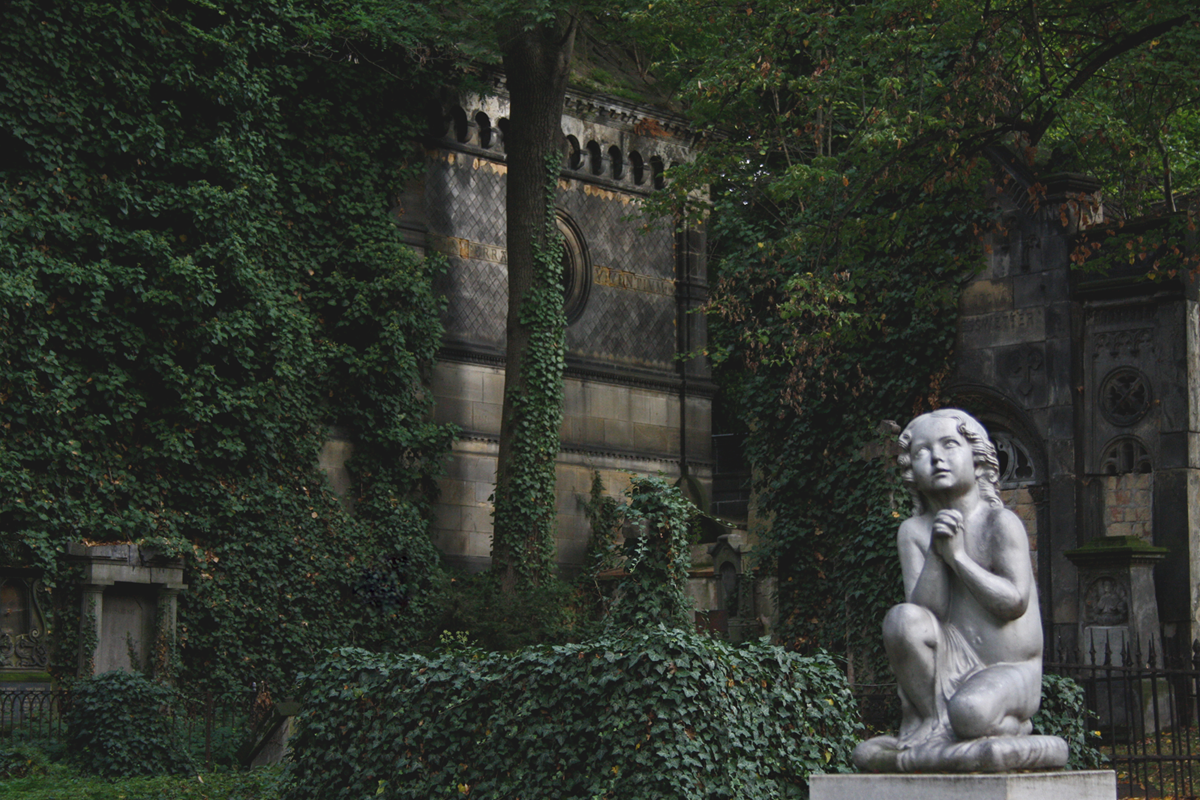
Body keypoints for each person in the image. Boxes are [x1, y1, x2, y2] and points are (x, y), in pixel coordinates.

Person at [854, 409, 1067, 772]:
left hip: (1010, 669)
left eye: (949, 445)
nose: (936, 458)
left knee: (970, 713)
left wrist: (958, 558)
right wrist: (937, 554)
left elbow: (1014, 603)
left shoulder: (1000, 522)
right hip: (947, 657)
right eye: (922, 452)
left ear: (978, 460)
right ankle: (933, 724)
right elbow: (927, 613)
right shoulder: (913, 531)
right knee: (901, 619)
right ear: (911, 471)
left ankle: (1021, 740)